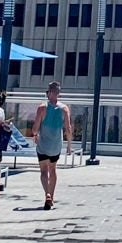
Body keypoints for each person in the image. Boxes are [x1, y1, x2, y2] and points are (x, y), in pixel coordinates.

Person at [34, 81, 73, 209]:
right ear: (58, 93)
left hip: (43, 145)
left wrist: (35, 134)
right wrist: (69, 145)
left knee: (43, 171)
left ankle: (47, 194)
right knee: (53, 170)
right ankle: (52, 195)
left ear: (50, 92)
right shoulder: (64, 109)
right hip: (56, 146)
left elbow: (34, 128)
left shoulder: (42, 108)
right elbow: (68, 128)